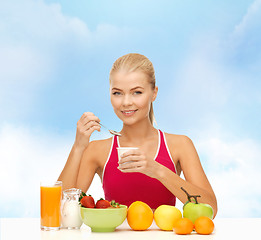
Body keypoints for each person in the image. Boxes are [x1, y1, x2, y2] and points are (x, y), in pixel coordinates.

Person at [58, 53, 217, 217]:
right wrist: (78, 146)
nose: (126, 102)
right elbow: (61, 211)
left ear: (154, 93)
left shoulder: (180, 145)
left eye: (137, 92)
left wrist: (157, 170)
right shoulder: (97, 150)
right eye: (117, 93)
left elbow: (210, 208)